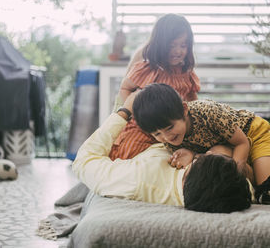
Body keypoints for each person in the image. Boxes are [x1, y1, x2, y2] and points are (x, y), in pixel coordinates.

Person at [72, 91, 252, 213]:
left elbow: (83, 161)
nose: (207, 153)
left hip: (137, 138)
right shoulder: (235, 189)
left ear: (189, 174)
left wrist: (124, 112)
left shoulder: (136, 180)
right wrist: (194, 153)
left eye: (204, 158)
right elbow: (240, 168)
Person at [133, 83, 270, 185]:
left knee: (267, 188)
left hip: (250, 135)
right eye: (157, 134)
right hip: (226, 146)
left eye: (169, 128)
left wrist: (235, 174)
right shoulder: (168, 139)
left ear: (184, 110)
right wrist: (190, 153)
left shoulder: (208, 112)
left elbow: (242, 142)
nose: (166, 137)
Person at [109, 13, 200, 160]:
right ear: (160, 45)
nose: (178, 51)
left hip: (172, 125)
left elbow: (193, 99)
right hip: (145, 126)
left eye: (183, 45)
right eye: (172, 46)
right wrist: (136, 115)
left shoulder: (185, 73)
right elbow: (125, 88)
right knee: (130, 150)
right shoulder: (148, 69)